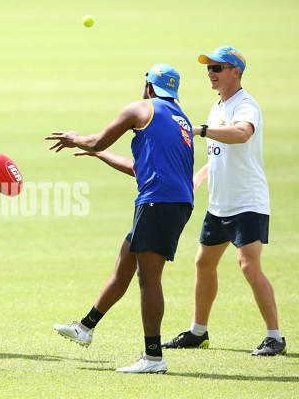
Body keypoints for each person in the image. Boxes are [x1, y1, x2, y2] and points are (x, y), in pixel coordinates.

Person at [46, 64, 194, 373]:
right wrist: (97, 153)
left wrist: (77, 139)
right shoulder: (180, 118)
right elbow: (136, 168)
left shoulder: (140, 108)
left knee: (148, 279)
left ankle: (154, 357)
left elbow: (99, 140)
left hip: (158, 202)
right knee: (125, 264)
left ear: (149, 86)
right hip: (172, 201)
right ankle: (85, 328)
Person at [161, 46, 286, 356]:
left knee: (248, 266)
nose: (211, 73)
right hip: (220, 204)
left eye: (218, 68)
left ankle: (275, 337)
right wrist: (200, 176)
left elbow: (241, 134)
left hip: (247, 202)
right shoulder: (218, 106)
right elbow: (222, 150)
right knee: (203, 263)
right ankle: (198, 331)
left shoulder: (246, 106)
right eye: (209, 68)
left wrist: (202, 130)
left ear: (236, 72)